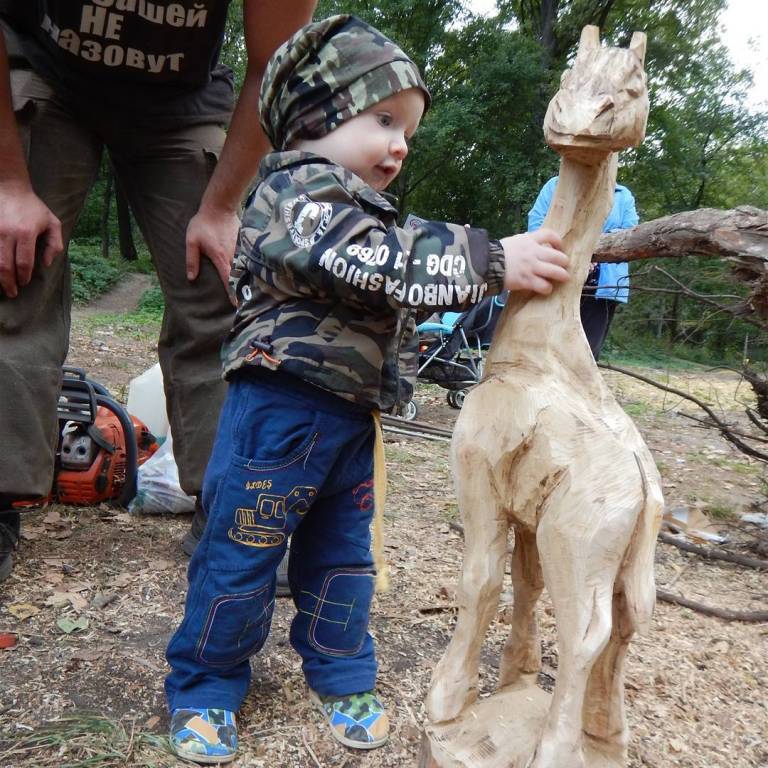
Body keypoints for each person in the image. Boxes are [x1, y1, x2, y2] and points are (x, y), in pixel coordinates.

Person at [163, 14, 569, 764]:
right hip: (276, 416)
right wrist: (486, 258)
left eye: (407, 129)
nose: (399, 143)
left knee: (346, 557)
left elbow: (394, 275)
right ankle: (205, 686)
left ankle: (342, 670)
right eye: (382, 118)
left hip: (350, 422)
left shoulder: (363, 211)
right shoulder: (295, 194)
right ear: (314, 117)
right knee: (241, 552)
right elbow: (368, 261)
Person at [0, 0, 316, 582]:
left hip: (179, 100)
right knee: (13, 265)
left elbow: (274, 63)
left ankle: (230, 506)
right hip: (43, 65)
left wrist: (221, 207)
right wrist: (9, 183)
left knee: (221, 285)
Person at [528, 176, 638, 359]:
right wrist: (571, 255)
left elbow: (630, 233)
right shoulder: (555, 185)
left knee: (585, 354)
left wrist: (593, 250)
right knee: (547, 347)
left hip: (602, 288)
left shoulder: (623, 195)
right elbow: (536, 223)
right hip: (557, 277)